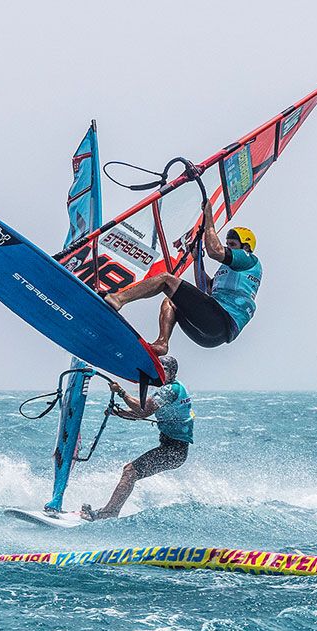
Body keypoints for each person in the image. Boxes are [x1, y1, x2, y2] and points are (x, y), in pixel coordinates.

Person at [104, 199, 261, 356]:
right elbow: (206, 288)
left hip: (222, 321)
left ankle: (118, 299)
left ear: (246, 247)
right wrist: (197, 259)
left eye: (232, 244)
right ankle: (162, 343)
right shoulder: (229, 271)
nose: (228, 247)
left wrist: (208, 217)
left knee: (166, 280)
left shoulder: (249, 260)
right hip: (209, 336)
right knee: (171, 301)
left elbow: (215, 251)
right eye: (228, 244)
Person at [81, 356, 193, 520]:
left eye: (164, 369)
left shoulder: (170, 390)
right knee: (130, 471)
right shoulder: (173, 387)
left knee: (130, 472)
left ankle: (108, 513)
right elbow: (141, 413)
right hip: (173, 449)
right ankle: (109, 511)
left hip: (174, 451)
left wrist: (121, 392)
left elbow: (143, 411)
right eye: (158, 368)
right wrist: (118, 413)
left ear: (173, 372)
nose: (159, 372)